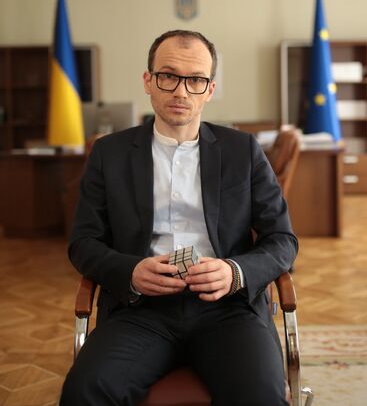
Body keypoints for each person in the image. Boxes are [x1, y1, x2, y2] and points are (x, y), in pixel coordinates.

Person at [59, 30, 297, 406]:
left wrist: (234, 272)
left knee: (262, 396)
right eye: (168, 76)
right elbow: (83, 243)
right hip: (140, 310)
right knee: (84, 391)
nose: (181, 91)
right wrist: (131, 271)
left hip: (228, 308)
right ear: (148, 81)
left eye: (196, 80)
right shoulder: (109, 154)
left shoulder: (243, 151)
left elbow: (282, 240)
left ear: (210, 89)